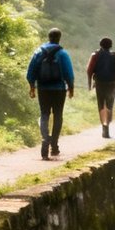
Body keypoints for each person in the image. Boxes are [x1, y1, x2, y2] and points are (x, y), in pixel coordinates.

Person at [26, 28, 75, 158]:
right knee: (58, 115)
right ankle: (54, 145)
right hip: (59, 89)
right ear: (59, 38)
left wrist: (32, 86)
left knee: (44, 114)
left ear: (48, 37)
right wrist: (71, 88)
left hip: (43, 89)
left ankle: (45, 139)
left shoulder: (39, 52)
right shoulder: (63, 53)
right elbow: (69, 73)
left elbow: (31, 71)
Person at [86, 36, 115, 138]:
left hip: (99, 83)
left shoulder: (95, 55)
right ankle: (107, 124)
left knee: (101, 105)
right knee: (109, 106)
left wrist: (89, 84)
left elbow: (89, 71)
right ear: (111, 45)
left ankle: (104, 127)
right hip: (112, 84)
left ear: (100, 45)